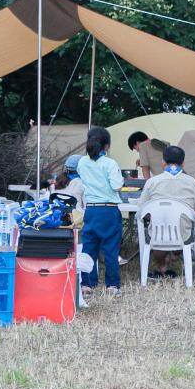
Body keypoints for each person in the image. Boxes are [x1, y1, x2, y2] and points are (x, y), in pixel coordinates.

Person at [136, 145, 195, 278]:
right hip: (183, 235)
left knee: (155, 235)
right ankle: (175, 254)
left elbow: (142, 211)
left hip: (157, 235)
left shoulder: (152, 182)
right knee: (183, 230)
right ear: (183, 163)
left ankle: (162, 266)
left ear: (162, 162)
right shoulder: (193, 183)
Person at [76, 127, 124, 297]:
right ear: (107, 146)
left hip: (91, 210)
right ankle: (112, 285)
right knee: (110, 248)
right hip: (109, 210)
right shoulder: (110, 163)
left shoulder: (81, 162)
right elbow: (117, 186)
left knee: (89, 247)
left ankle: (86, 284)